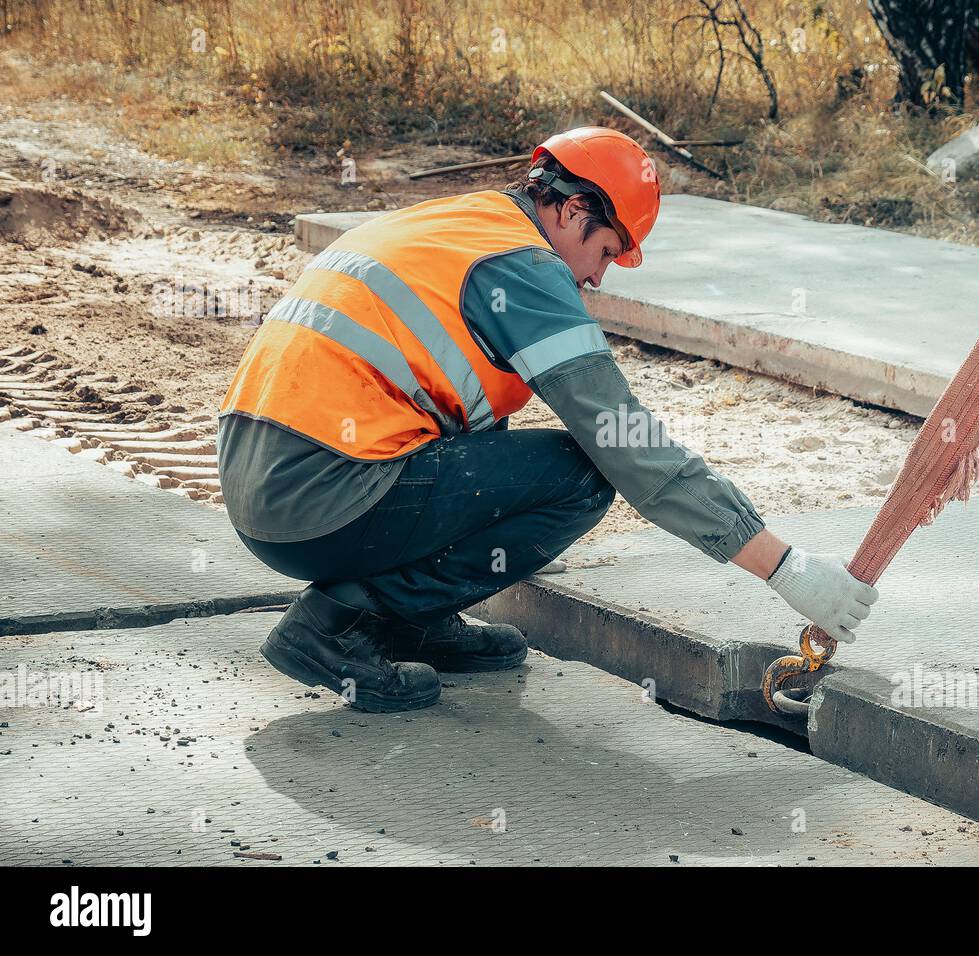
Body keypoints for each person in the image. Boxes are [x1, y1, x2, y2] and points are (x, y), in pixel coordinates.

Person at [217, 126, 878, 712]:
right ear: (572, 210)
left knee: (492, 440)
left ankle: (416, 618)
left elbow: (458, 405)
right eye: (610, 250)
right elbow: (626, 442)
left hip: (265, 481)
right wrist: (784, 567)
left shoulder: (464, 225)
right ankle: (336, 624)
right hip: (318, 499)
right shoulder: (523, 269)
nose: (600, 278)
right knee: (583, 475)